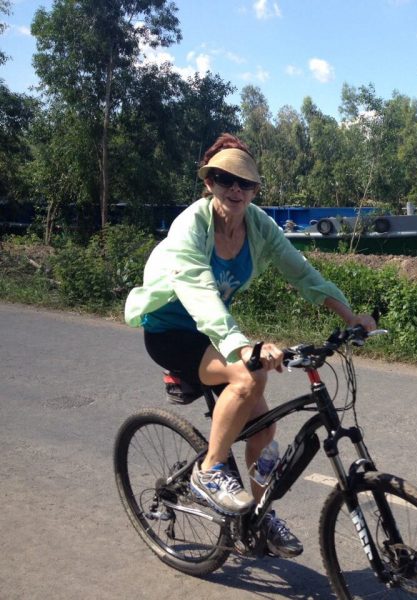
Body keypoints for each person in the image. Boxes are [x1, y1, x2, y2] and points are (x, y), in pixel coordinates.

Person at [124, 133, 375, 557]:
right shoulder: (191, 227)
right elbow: (200, 291)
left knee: (266, 427)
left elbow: (303, 274)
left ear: (256, 189)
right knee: (245, 376)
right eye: (225, 180)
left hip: (213, 332)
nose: (235, 190)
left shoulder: (259, 226)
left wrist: (349, 317)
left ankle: (258, 515)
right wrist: (242, 346)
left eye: (246, 183)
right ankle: (209, 470)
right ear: (209, 183)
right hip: (171, 331)